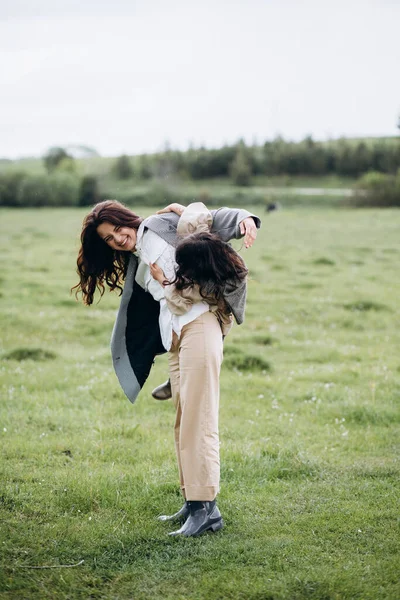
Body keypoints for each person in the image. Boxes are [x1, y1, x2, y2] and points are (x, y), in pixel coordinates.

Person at [74, 200, 260, 537]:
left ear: (128, 220)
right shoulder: (136, 260)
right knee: (183, 421)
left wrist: (244, 219)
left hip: (201, 324)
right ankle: (194, 502)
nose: (117, 238)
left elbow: (212, 218)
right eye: (107, 238)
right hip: (176, 336)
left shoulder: (161, 225)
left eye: (118, 229)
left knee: (198, 419)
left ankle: (206, 511)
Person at [149, 231, 248, 337]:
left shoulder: (207, 286)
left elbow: (179, 302)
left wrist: (160, 278)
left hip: (208, 326)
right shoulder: (225, 261)